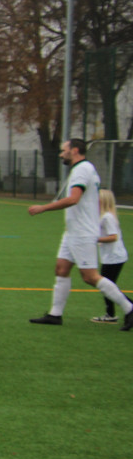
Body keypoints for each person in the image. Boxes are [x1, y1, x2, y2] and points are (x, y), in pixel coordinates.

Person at [28, 139, 133, 329]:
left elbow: (74, 199)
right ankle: (55, 314)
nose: (61, 154)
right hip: (73, 232)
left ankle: (129, 307)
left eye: (63, 150)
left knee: (90, 276)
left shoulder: (82, 169)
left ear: (74, 150)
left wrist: (43, 207)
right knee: (61, 269)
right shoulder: (82, 169)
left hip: (82, 232)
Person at [93, 189, 128, 323]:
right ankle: (110, 314)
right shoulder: (103, 216)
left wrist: (96, 239)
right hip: (110, 256)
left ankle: (125, 309)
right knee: (107, 286)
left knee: (107, 286)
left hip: (114, 257)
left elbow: (113, 237)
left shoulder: (107, 217)